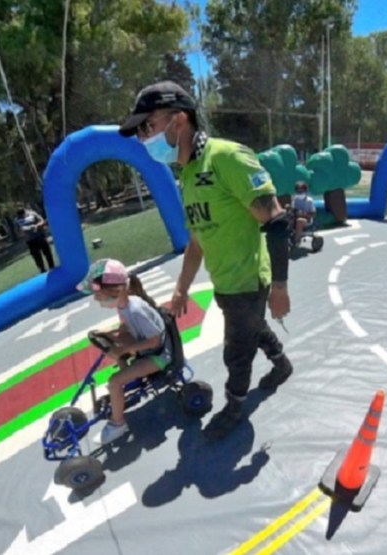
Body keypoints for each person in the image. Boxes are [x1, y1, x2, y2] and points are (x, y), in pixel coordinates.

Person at [119, 81, 293, 440]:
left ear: (178, 119)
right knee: (253, 328)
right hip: (225, 283)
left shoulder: (227, 158)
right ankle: (282, 363)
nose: (143, 138)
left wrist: (279, 287)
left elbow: (276, 221)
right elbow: (196, 241)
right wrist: (181, 289)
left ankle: (234, 405)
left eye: (147, 126)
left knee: (236, 352)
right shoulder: (187, 177)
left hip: (249, 281)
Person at [78, 259, 171, 444]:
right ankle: (126, 378)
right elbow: (127, 328)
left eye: (98, 294)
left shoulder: (135, 309)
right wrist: (110, 334)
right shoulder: (125, 305)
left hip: (159, 355)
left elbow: (154, 339)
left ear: (114, 291)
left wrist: (126, 349)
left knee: (113, 382)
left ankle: (118, 424)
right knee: (111, 347)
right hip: (148, 348)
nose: (96, 299)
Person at [15, 207, 55, 273]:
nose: (21, 216)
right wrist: (21, 231)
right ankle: (43, 271)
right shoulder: (16, 220)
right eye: (20, 215)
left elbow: (42, 221)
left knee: (47, 252)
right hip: (30, 240)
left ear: (25, 211)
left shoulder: (32, 214)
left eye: (22, 214)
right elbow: (17, 231)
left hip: (40, 236)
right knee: (37, 257)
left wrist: (37, 226)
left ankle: (52, 268)